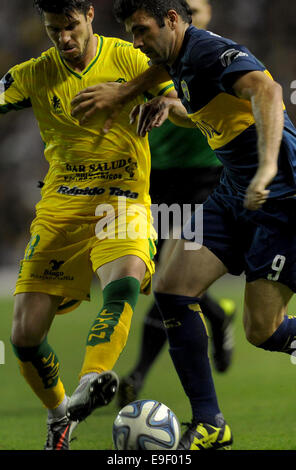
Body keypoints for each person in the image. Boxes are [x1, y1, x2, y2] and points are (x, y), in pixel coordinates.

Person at [73, 0, 296, 451]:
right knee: (173, 291)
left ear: (173, 20)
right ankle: (210, 423)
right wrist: (166, 105)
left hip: (282, 197)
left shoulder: (209, 51)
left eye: (142, 31)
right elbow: (191, 95)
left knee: (264, 331)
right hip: (234, 191)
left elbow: (269, 93)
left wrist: (269, 165)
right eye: (131, 34)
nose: (137, 42)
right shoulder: (176, 60)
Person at [0, 0, 175, 450]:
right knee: (24, 336)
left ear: (90, 16)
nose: (63, 38)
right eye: (53, 28)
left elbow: (178, 90)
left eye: (71, 26)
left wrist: (164, 102)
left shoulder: (128, 57)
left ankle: (93, 379)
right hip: (61, 210)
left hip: (121, 200)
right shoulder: (32, 75)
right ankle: (61, 414)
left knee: (126, 278)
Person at [116, 0, 236, 410]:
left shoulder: (213, 53)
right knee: (163, 277)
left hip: (205, 176)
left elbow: (204, 108)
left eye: (197, 8)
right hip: (158, 177)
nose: (193, 14)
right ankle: (218, 316)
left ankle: (139, 373)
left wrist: (170, 106)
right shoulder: (152, 55)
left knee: (169, 273)